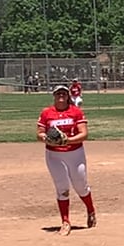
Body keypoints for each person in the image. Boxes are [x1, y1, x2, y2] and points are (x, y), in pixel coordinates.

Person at [38, 84, 97, 235]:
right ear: (54, 96)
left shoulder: (75, 112)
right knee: (62, 186)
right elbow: (40, 133)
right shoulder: (46, 113)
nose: (61, 96)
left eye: (64, 93)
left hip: (75, 153)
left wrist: (67, 141)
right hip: (54, 155)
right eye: (58, 93)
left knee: (80, 186)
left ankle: (90, 210)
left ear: (68, 96)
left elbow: (84, 134)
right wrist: (45, 138)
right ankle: (65, 221)